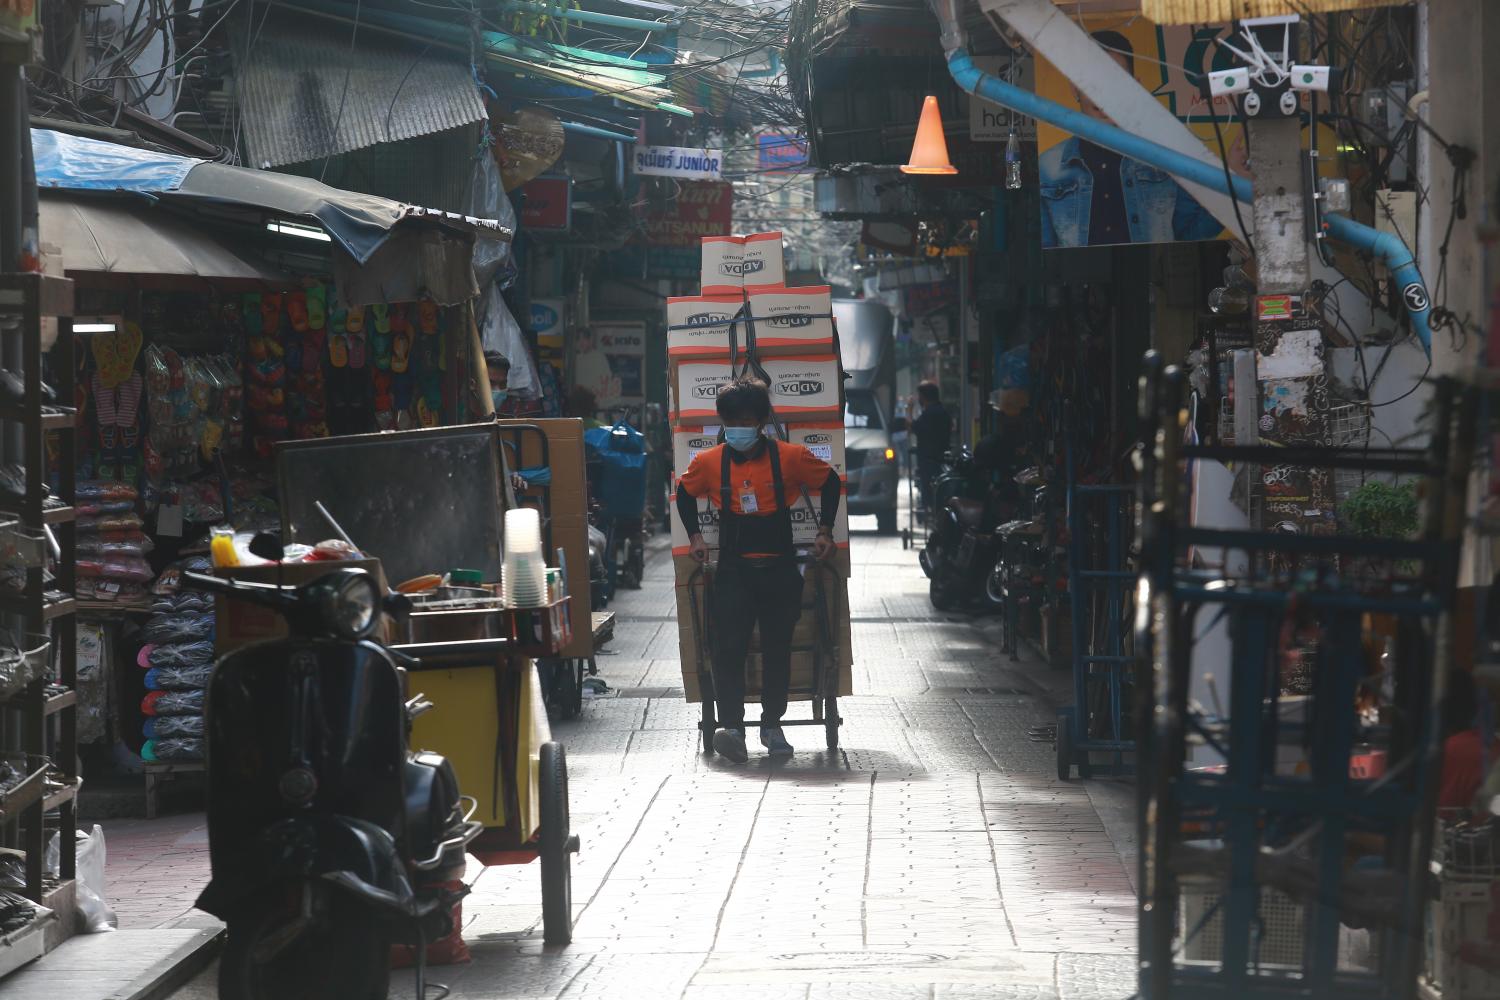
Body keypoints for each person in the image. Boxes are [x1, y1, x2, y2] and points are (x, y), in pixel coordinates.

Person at [676, 378, 842, 762]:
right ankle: (732, 727)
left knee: (776, 647)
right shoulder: (708, 462)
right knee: (727, 647)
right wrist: (696, 537)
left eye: (746, 419)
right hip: (734, 571)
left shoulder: (790, 457)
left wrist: (824, 530)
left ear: (762, 421)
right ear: (723, 421)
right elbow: (684, 493)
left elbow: (831, 482)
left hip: (780, 568)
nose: (738, 427)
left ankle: (772, 725)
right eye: (731, 419)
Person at [1037, 31, 1224, 248]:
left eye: (1116, 79)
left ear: (1134, 87)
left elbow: (1189, 236)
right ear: (1074, 88)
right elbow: (1047, 256)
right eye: (1090, 80)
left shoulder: (1167, 157)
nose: (1103, 93)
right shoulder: (1047, 167)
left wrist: (1231, 188)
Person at [910, 382, 951, 511]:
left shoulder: (929, 414)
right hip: (940, 458)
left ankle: (933, 516)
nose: (919, 399)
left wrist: (909, 411)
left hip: (929, 460)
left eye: (920, 396)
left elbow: (912, 427)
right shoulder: (942, 412)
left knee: (930, 495)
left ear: (924, 397)